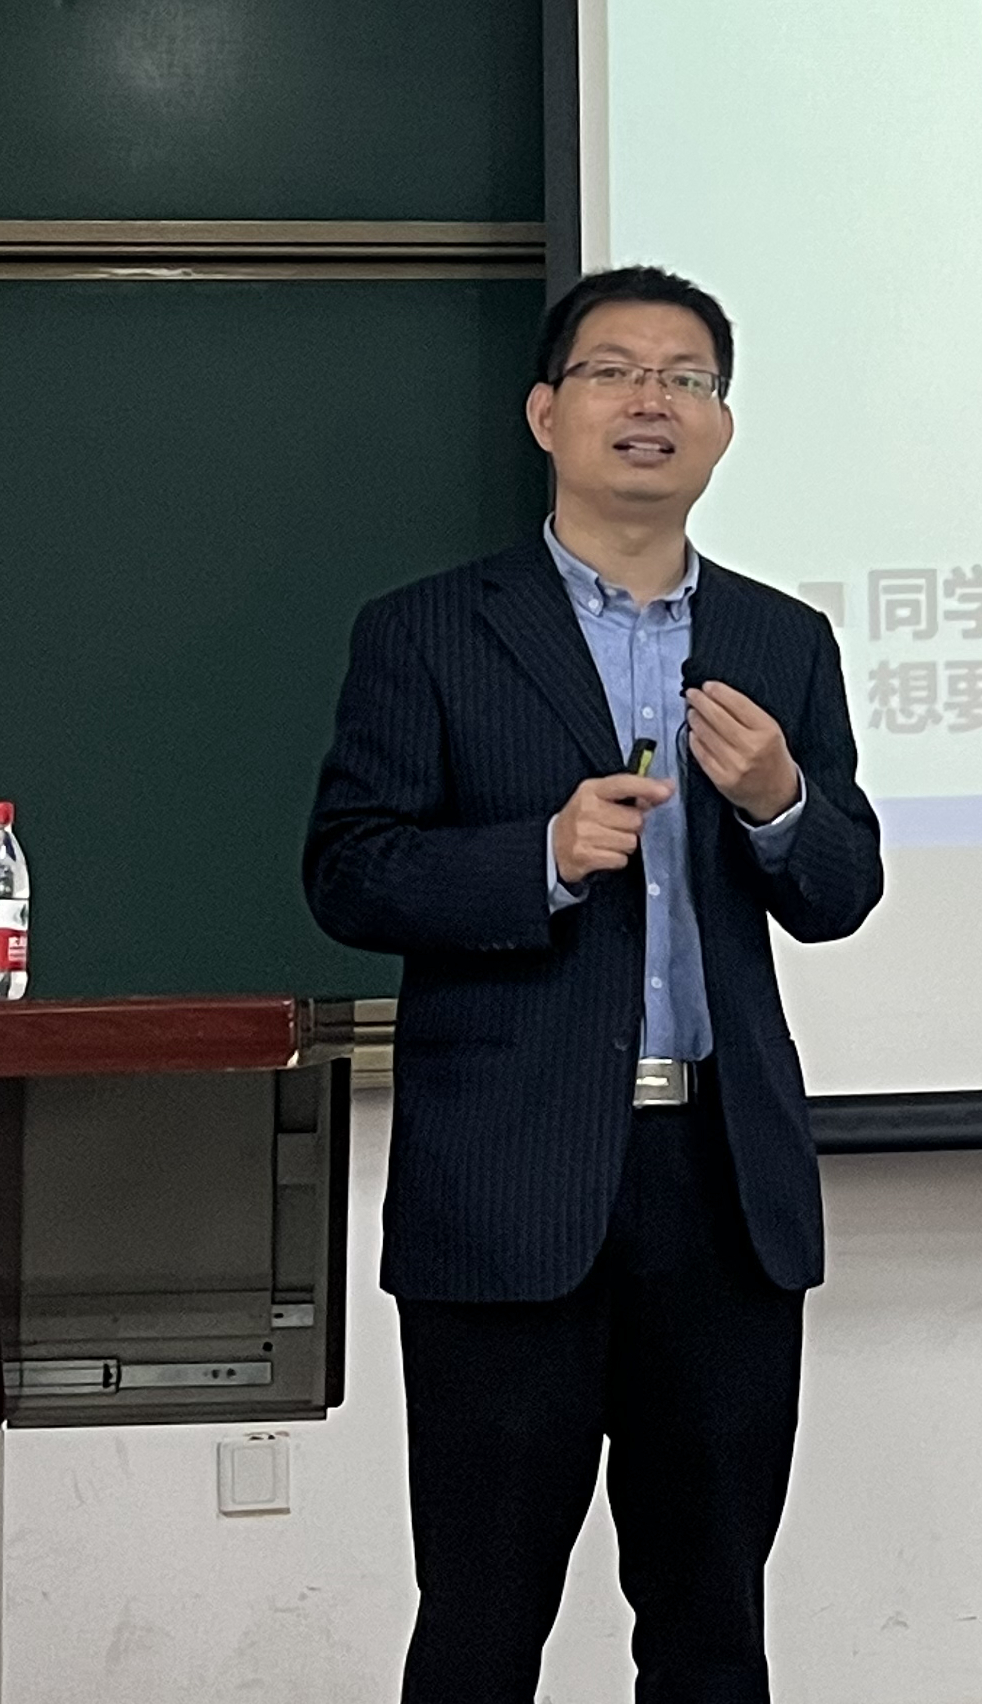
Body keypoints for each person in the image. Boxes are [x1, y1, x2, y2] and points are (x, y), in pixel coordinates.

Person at [304, 264, 884, 1704]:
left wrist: (781, 799)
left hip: (720, 1188)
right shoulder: (428, 630)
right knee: (481, 1622)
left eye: (685, 378)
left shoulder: (782, 641)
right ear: (545, 413)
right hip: (510, 1185)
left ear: (722, 426)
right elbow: (351, 871)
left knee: (711, 1621)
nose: (650, 400)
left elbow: (840, 891)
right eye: (615, 370)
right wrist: (541, 859)